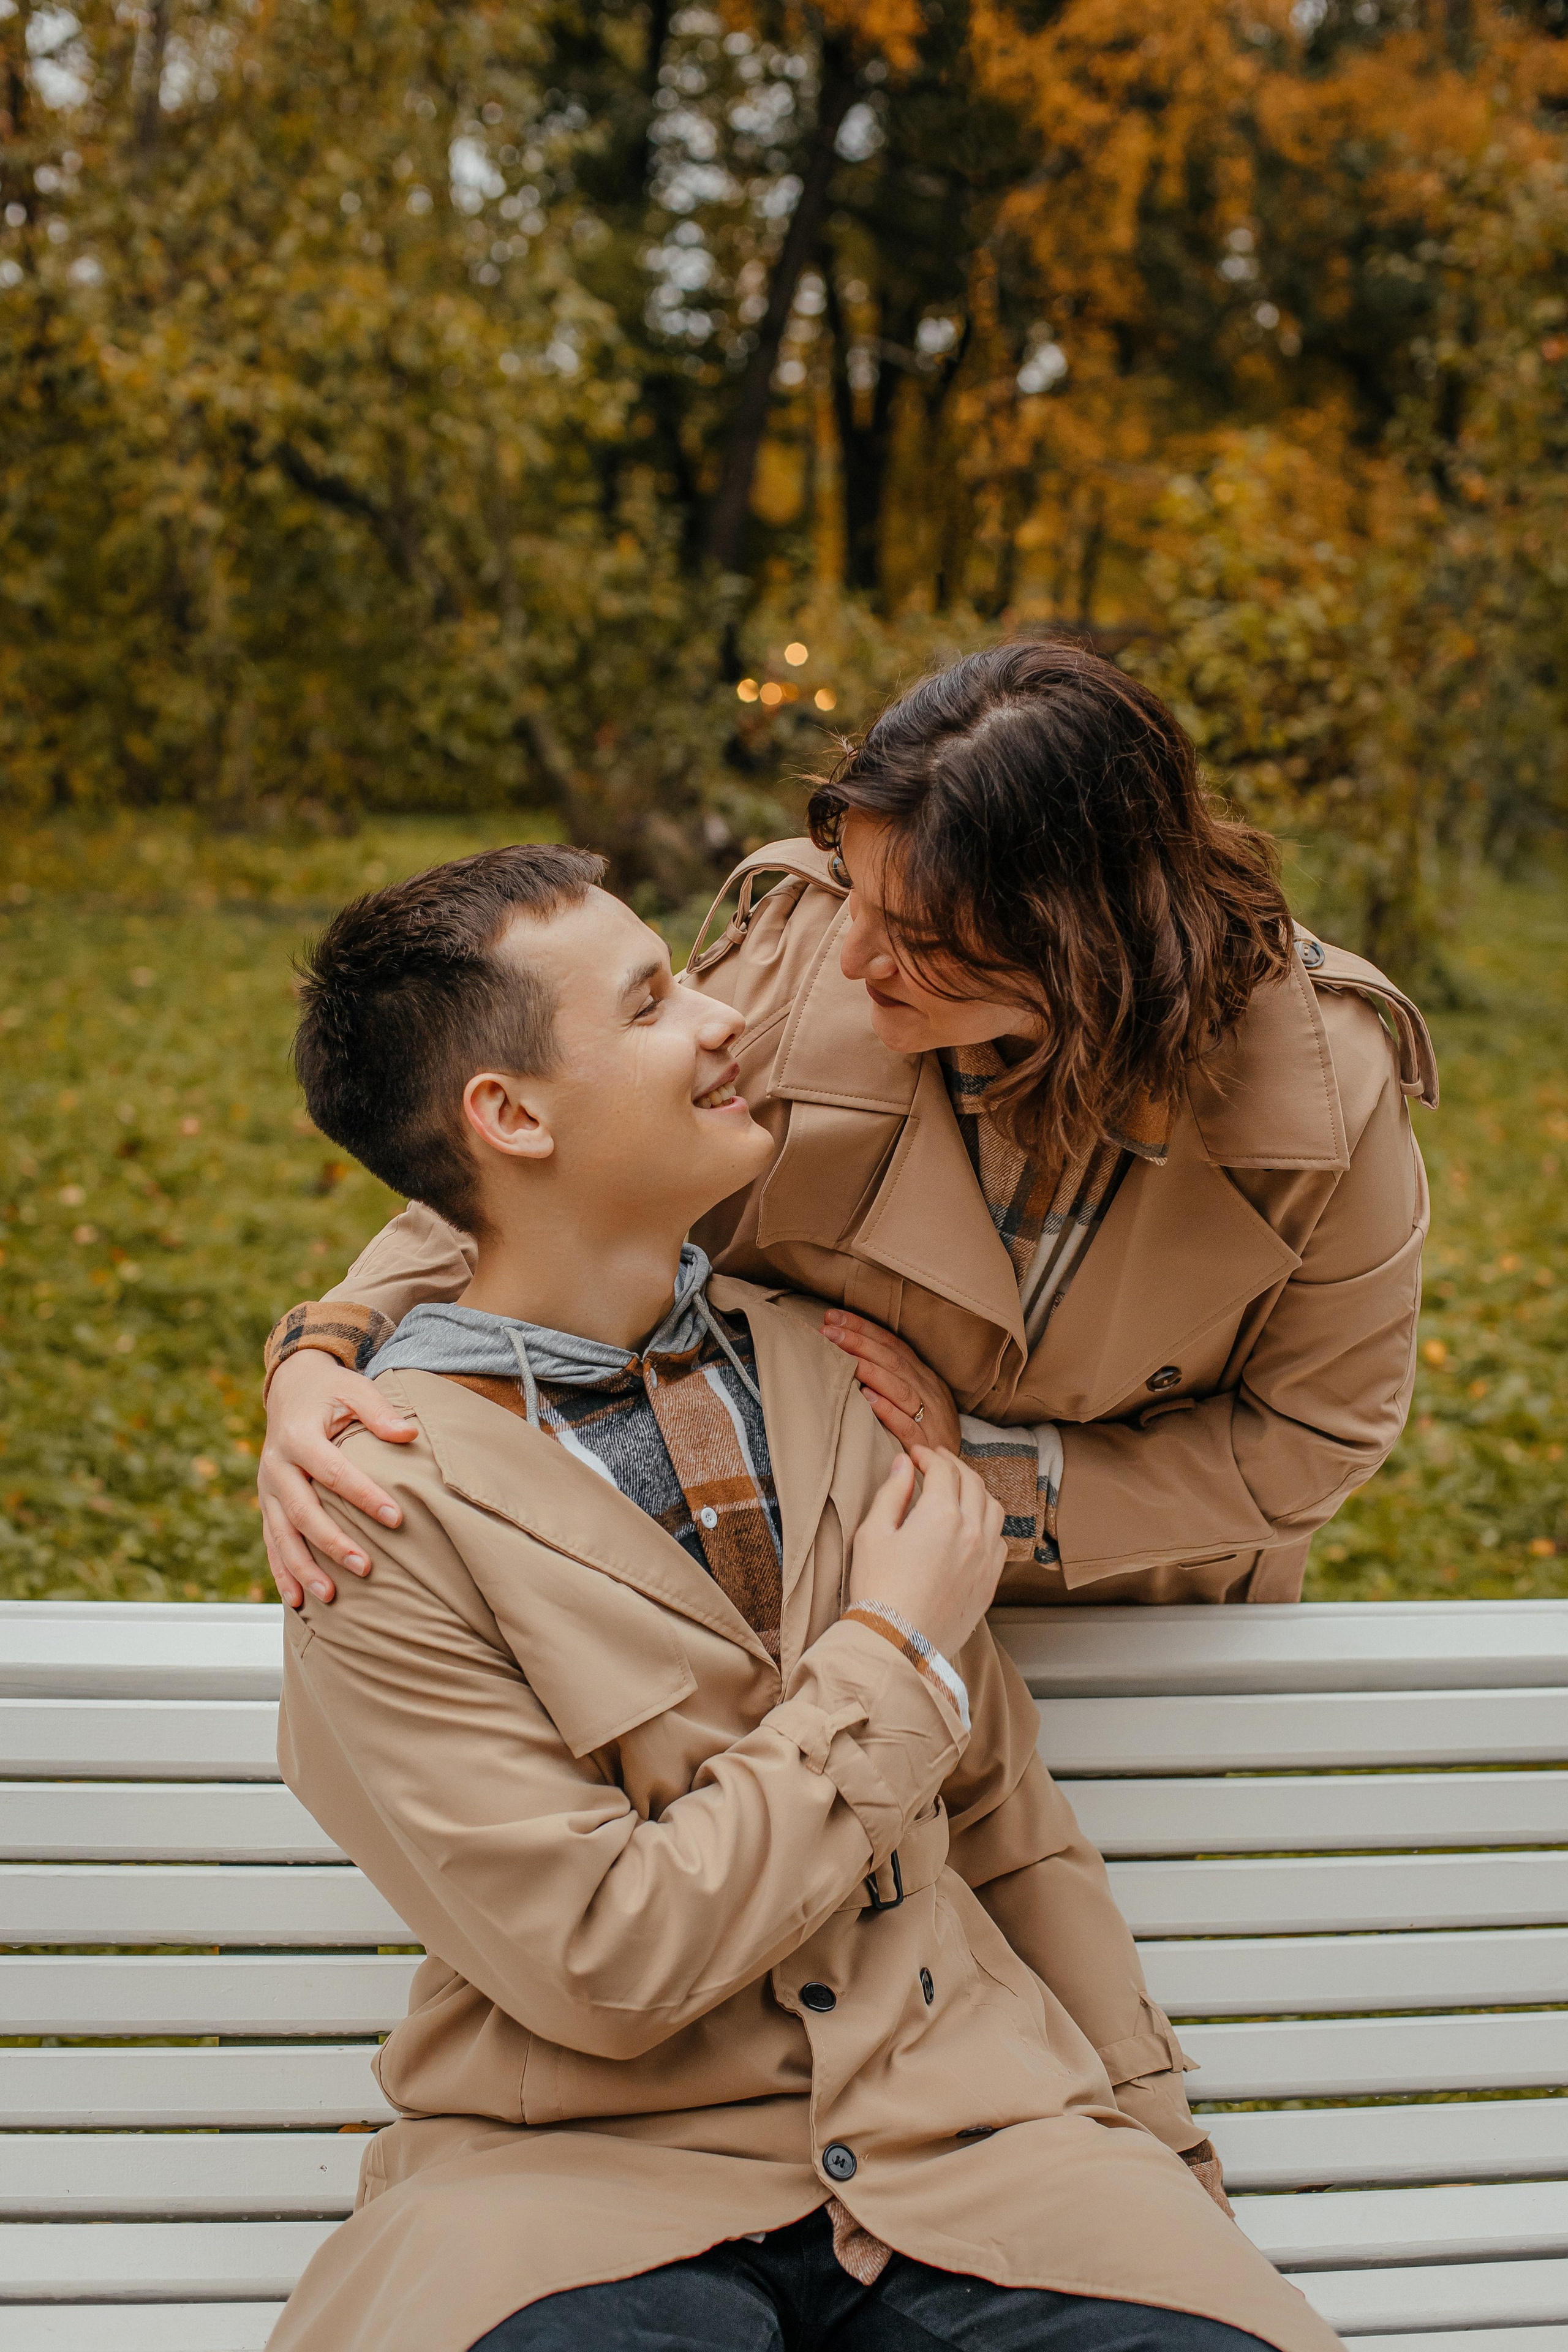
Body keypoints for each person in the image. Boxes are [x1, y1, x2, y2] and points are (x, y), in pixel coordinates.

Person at [265, 845, 1340, 2352]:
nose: (721, 1020)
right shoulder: (371, 1503)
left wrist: (1155, 2149)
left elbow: (1004, 1826)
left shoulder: (842, 1373)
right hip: (573, 2195)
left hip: (985, 2157)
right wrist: (893, 1648)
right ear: (507, 1119)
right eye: (651, 1006)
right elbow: (605, 1955)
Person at [257, 641, 1435, 1613]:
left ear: (1083, 948)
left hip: (1135, 1630)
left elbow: (1313, 1442)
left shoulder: (1328, 1088)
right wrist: (324, 1350)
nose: (857, 957)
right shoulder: (806, 952)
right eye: (857, 892)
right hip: (812, 1619)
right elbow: (532, 1167)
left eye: (917, 936)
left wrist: (978, 1474)